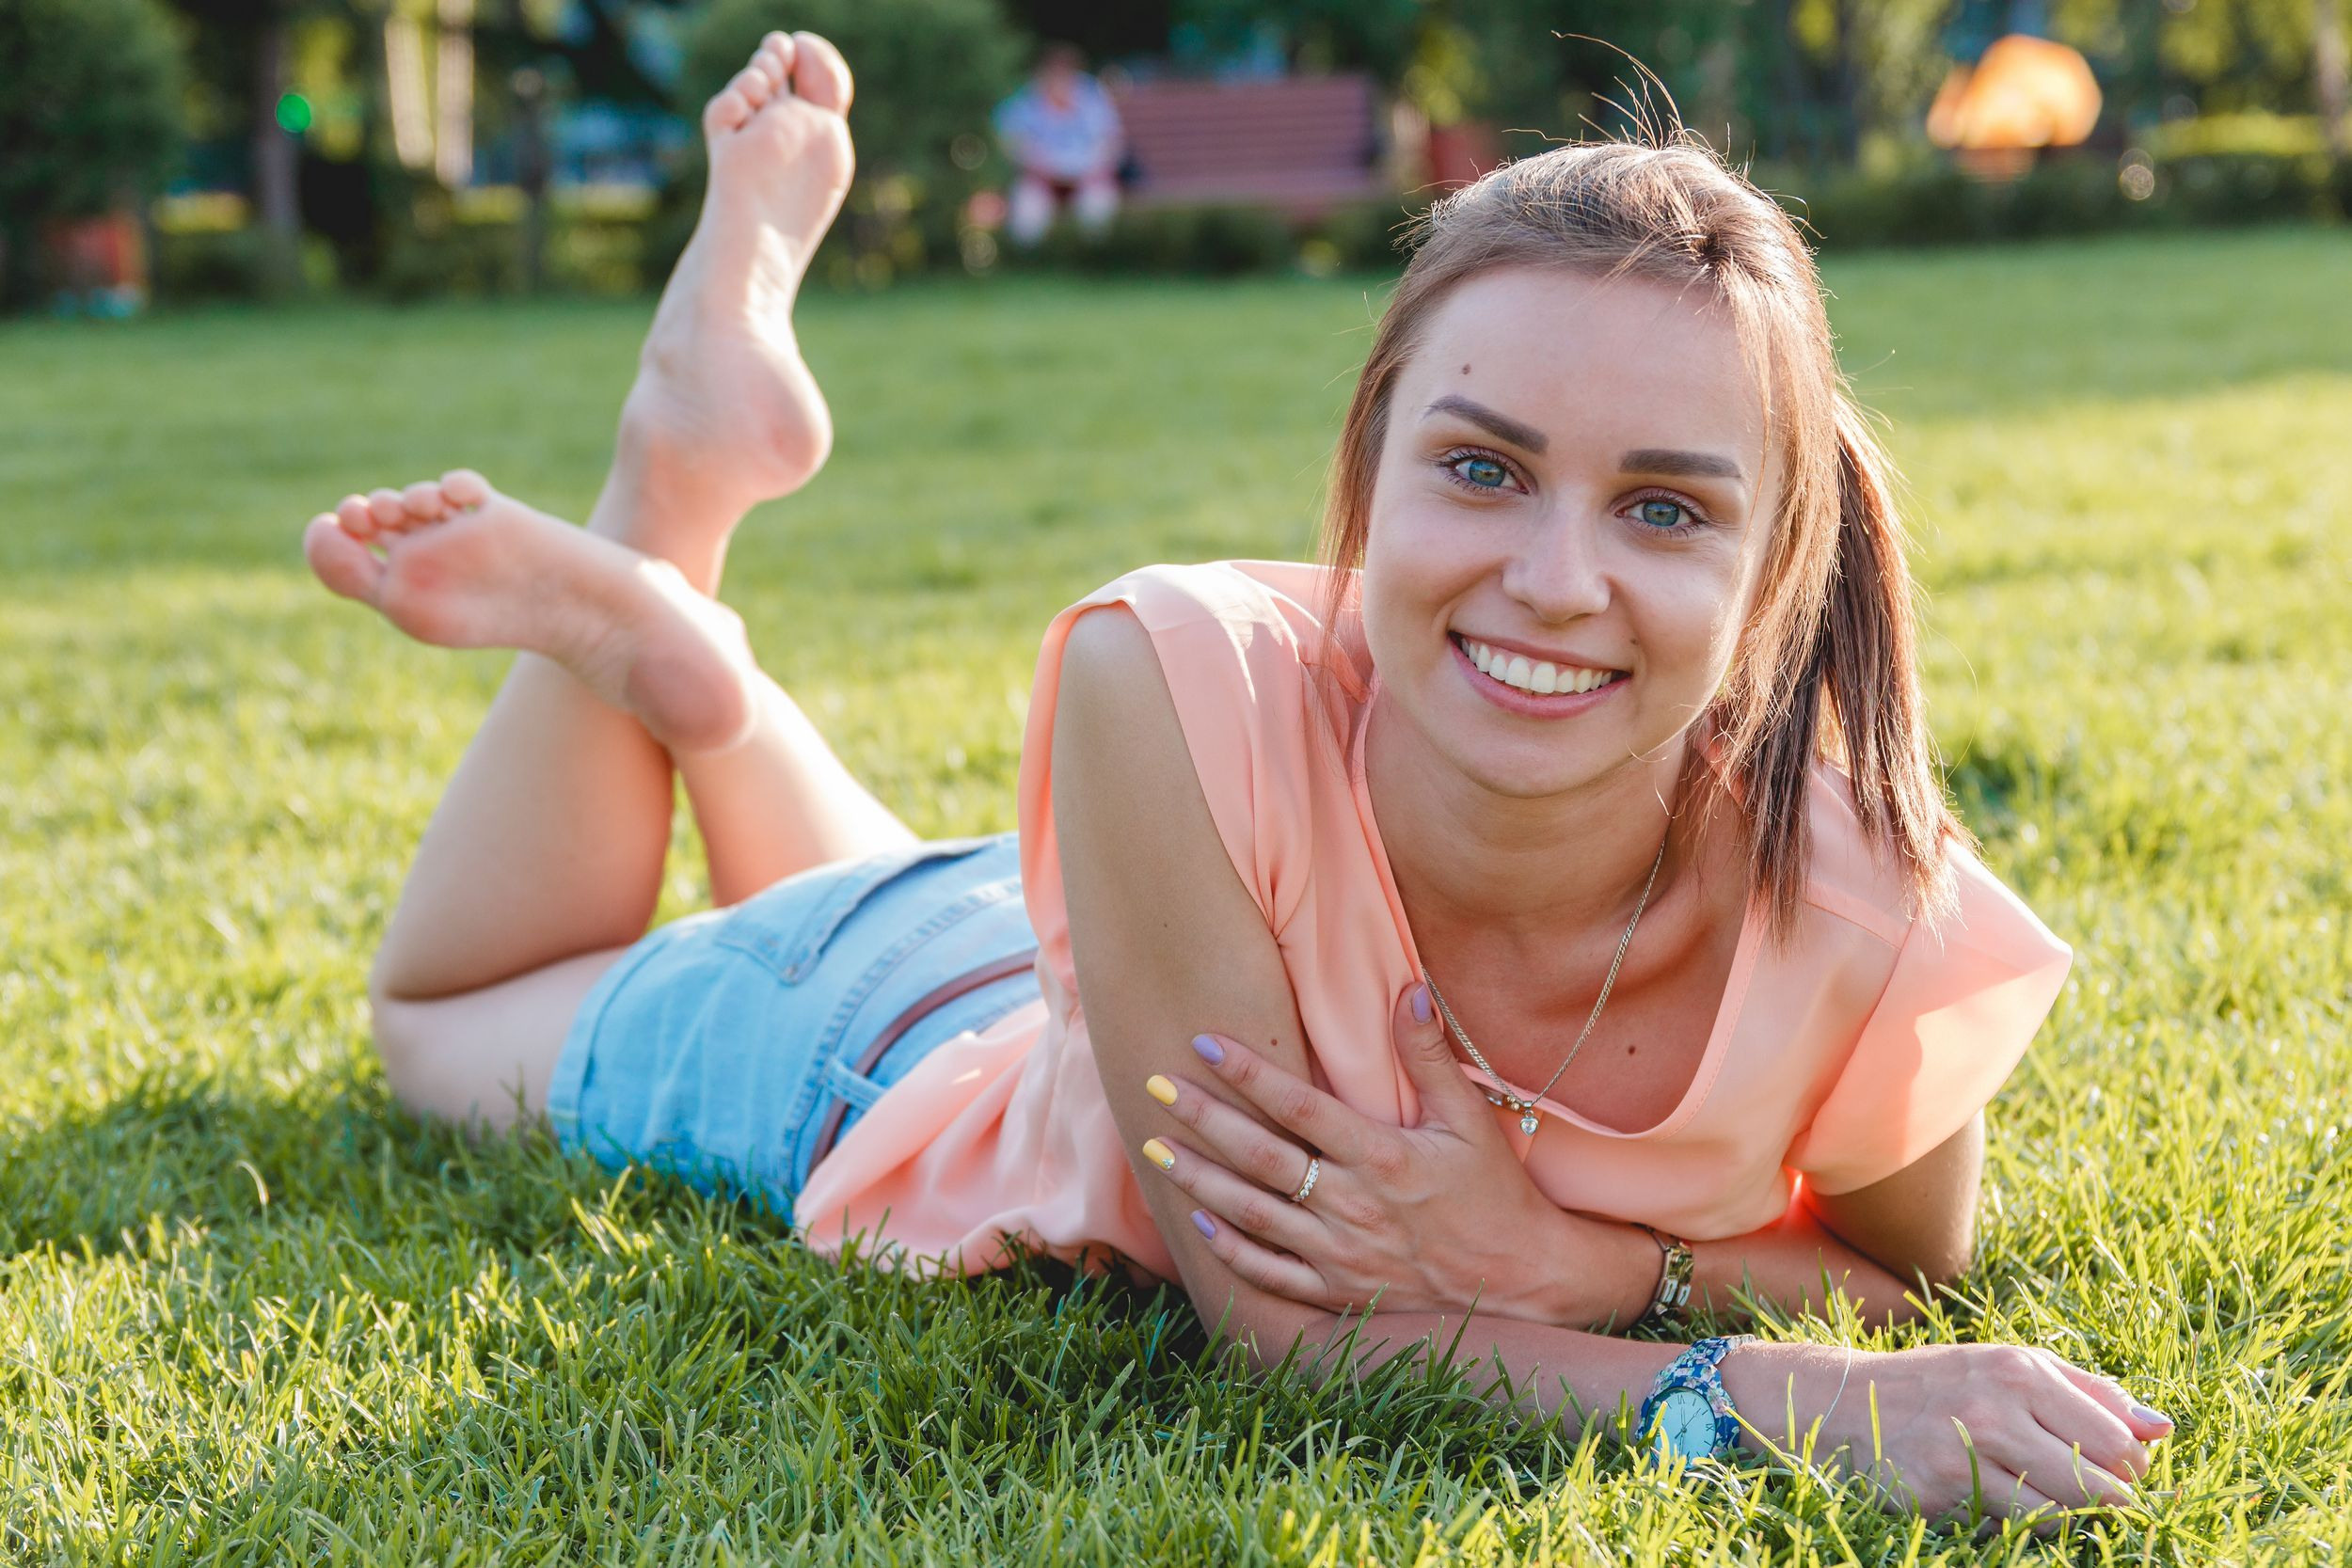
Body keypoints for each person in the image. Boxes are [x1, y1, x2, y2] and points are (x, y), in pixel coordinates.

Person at [300, 30, 2175, 1537]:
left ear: (1777, 568)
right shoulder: (1166, 669)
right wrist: (1745, 1381)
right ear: (1369, 470)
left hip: (1101, 947)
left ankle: (704, 678)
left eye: (1662, 505)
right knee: (437, 1020)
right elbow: (1287, 1327)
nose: (1551, 574)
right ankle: (670, 490)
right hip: (888, 1033)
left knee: (949, 947)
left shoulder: (1858, 895)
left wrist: (1576, 1253)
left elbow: (1892, 1272)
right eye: (1479, 468)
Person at [993, 43, 1123, 246]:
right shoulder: (1025, 100)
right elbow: (1010, 141)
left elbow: (1111, 140)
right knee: (1027, 210)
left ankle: (1092, 260)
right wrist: (1033, 167)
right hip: (1041, 179)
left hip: (1088, 178)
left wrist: (1098, 169)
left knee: (1097, 206)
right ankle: (1031, 263)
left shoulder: (1092, 97)